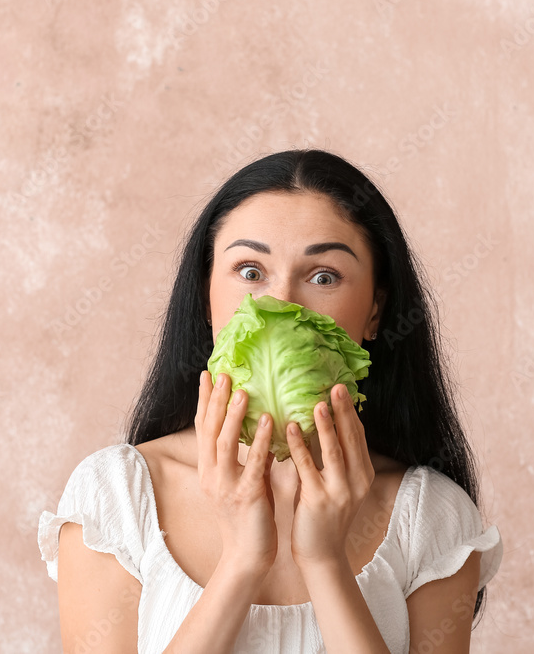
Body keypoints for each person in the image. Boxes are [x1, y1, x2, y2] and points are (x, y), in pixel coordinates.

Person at [38, 149, 503, 653]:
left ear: (376, 310)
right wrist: (241, 559)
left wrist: (325, 562)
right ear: (206, 297)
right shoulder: (117, 496)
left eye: (323, 276)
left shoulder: (429, 515)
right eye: (250, 271)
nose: (281, 303)